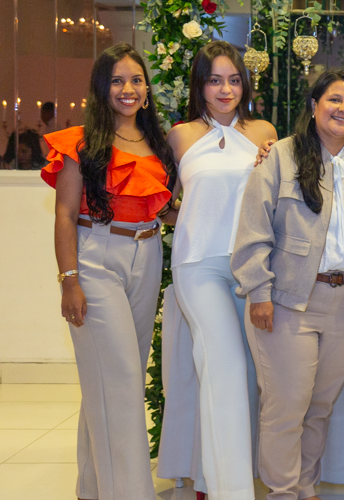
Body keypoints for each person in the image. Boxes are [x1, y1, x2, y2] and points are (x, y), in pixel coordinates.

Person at [231, 69, 344, 500]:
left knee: (318, 409)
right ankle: (282, 493)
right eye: (334, 100)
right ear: (314, 105)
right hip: (288, 301)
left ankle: (305, 489)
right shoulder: (280, 156)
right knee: (286, 408)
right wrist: (259, 293)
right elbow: (254, 229)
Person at [42, 42, 176, 500]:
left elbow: (165, 206)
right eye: (117, 80)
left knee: (116, 377)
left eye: (136, 79)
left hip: (148, 252)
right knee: (119, 380)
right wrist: (69, 280)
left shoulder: (156, 142)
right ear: (102, 87)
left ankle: (93, 488)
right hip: (96, 258)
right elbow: (63, 215)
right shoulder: (81, 142)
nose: (128, 88)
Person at [164, 40, 277, 500]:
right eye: (215, 80)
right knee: (226, 370)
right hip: (198, 265)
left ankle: (210, 483)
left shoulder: (266, 131)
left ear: (245, 83)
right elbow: (169, 202)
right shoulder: (182, 134)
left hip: (250, 266)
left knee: (242, 378)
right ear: (201, 85)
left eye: (233, 79)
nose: (226, 89)